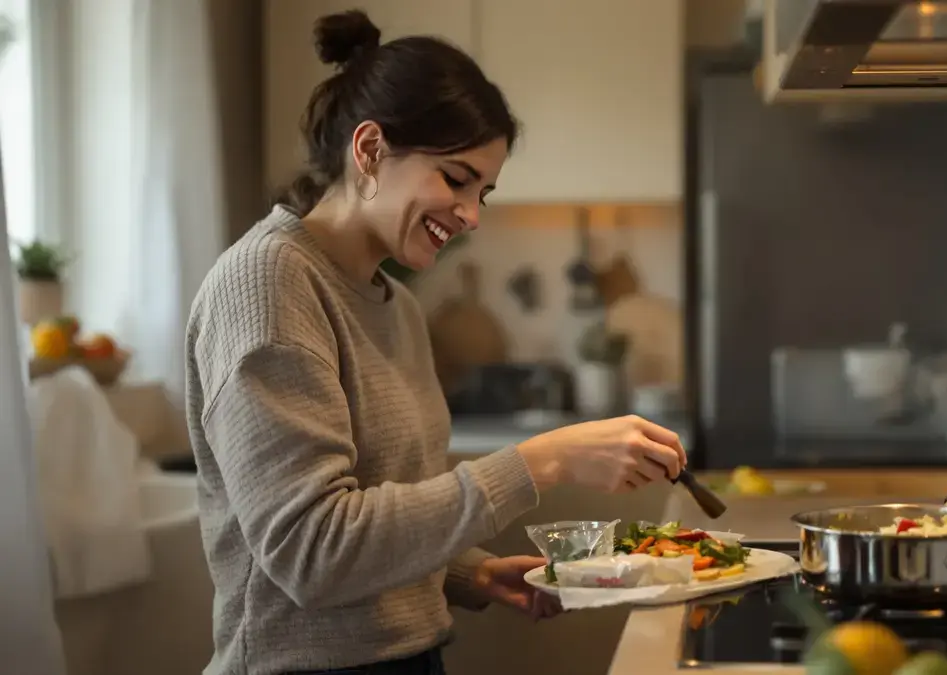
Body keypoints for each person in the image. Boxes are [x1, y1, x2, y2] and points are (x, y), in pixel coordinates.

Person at [183, 9, 687, 675]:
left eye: (484, 189)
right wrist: (541, 461)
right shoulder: (269, 282)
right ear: (369, 150)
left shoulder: (398, 308)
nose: (472, 214)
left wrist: (465, 573)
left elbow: (382, 503)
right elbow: (313, 552)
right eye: (455, 178)